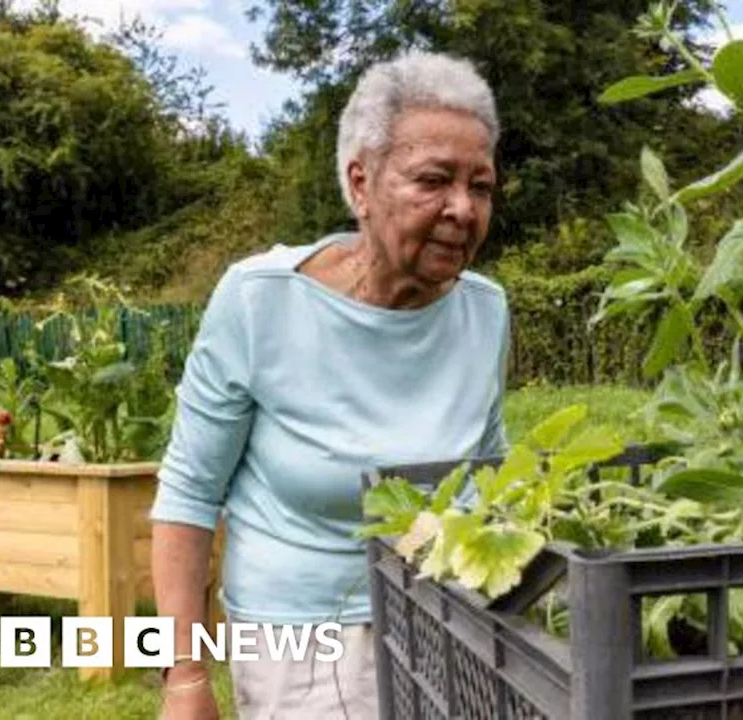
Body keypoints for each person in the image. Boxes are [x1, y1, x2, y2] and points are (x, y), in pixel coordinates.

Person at [149, 49, 510, 720]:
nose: (463, 208)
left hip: (450, 616)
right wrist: (184, 678)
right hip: (303, 641)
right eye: (434, 180)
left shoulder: (485, 310)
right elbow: (189, 495)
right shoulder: (260, 301)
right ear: (361, 183)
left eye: (481, 186)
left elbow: (492, 471)